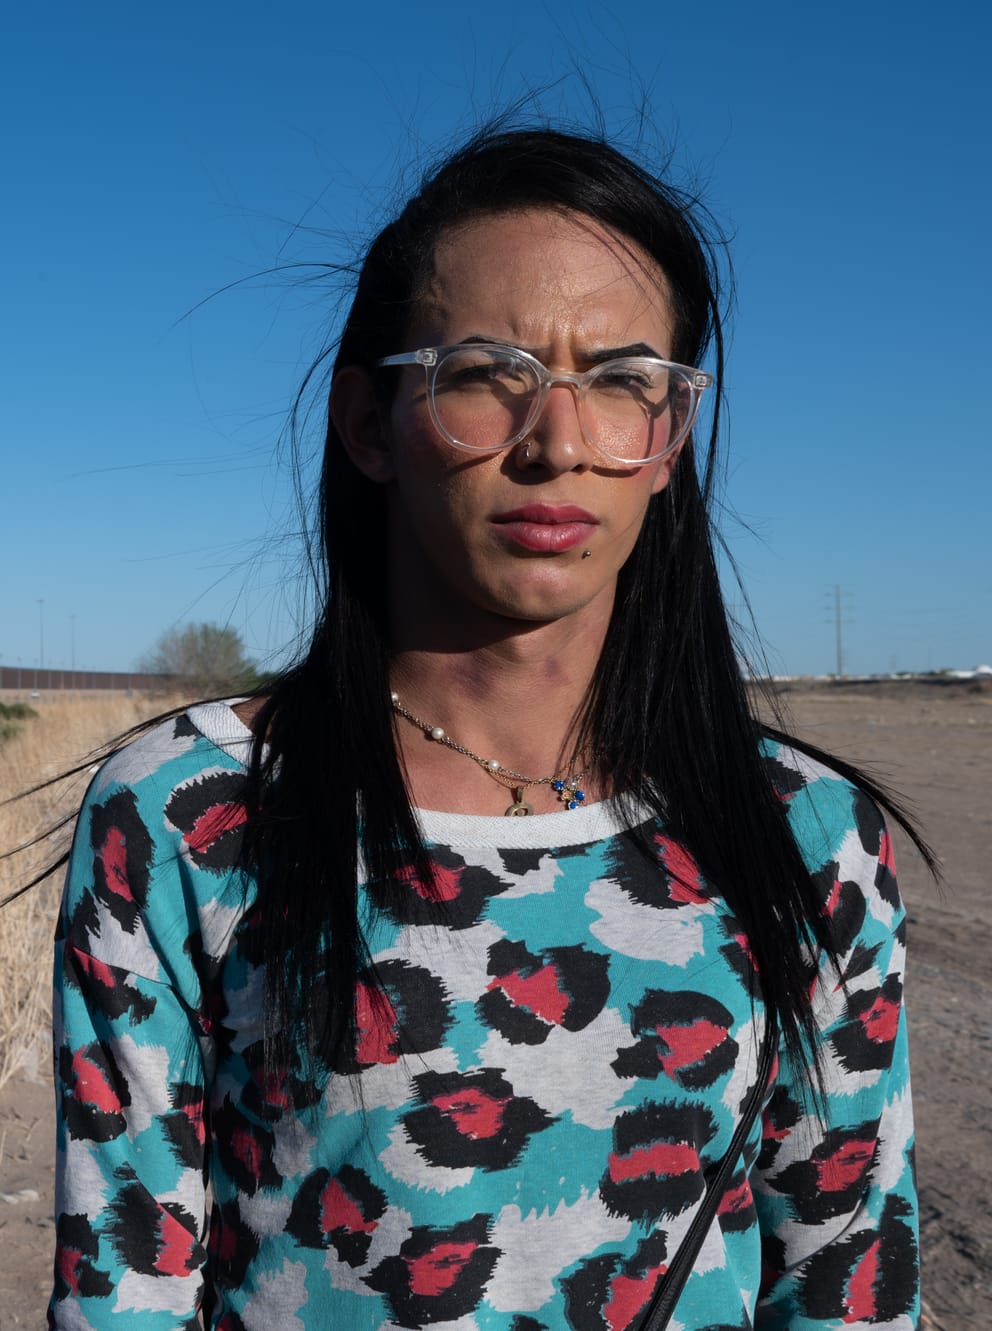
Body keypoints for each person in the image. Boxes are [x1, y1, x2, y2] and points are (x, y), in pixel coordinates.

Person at [48, 125, 925, 1330]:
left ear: (666, 438)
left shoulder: (802, 833)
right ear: (369, 422)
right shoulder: (187, 815)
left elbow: (847, 1269)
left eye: (622, 381)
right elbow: (122, 1286)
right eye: (483, 372)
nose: (556, 443)